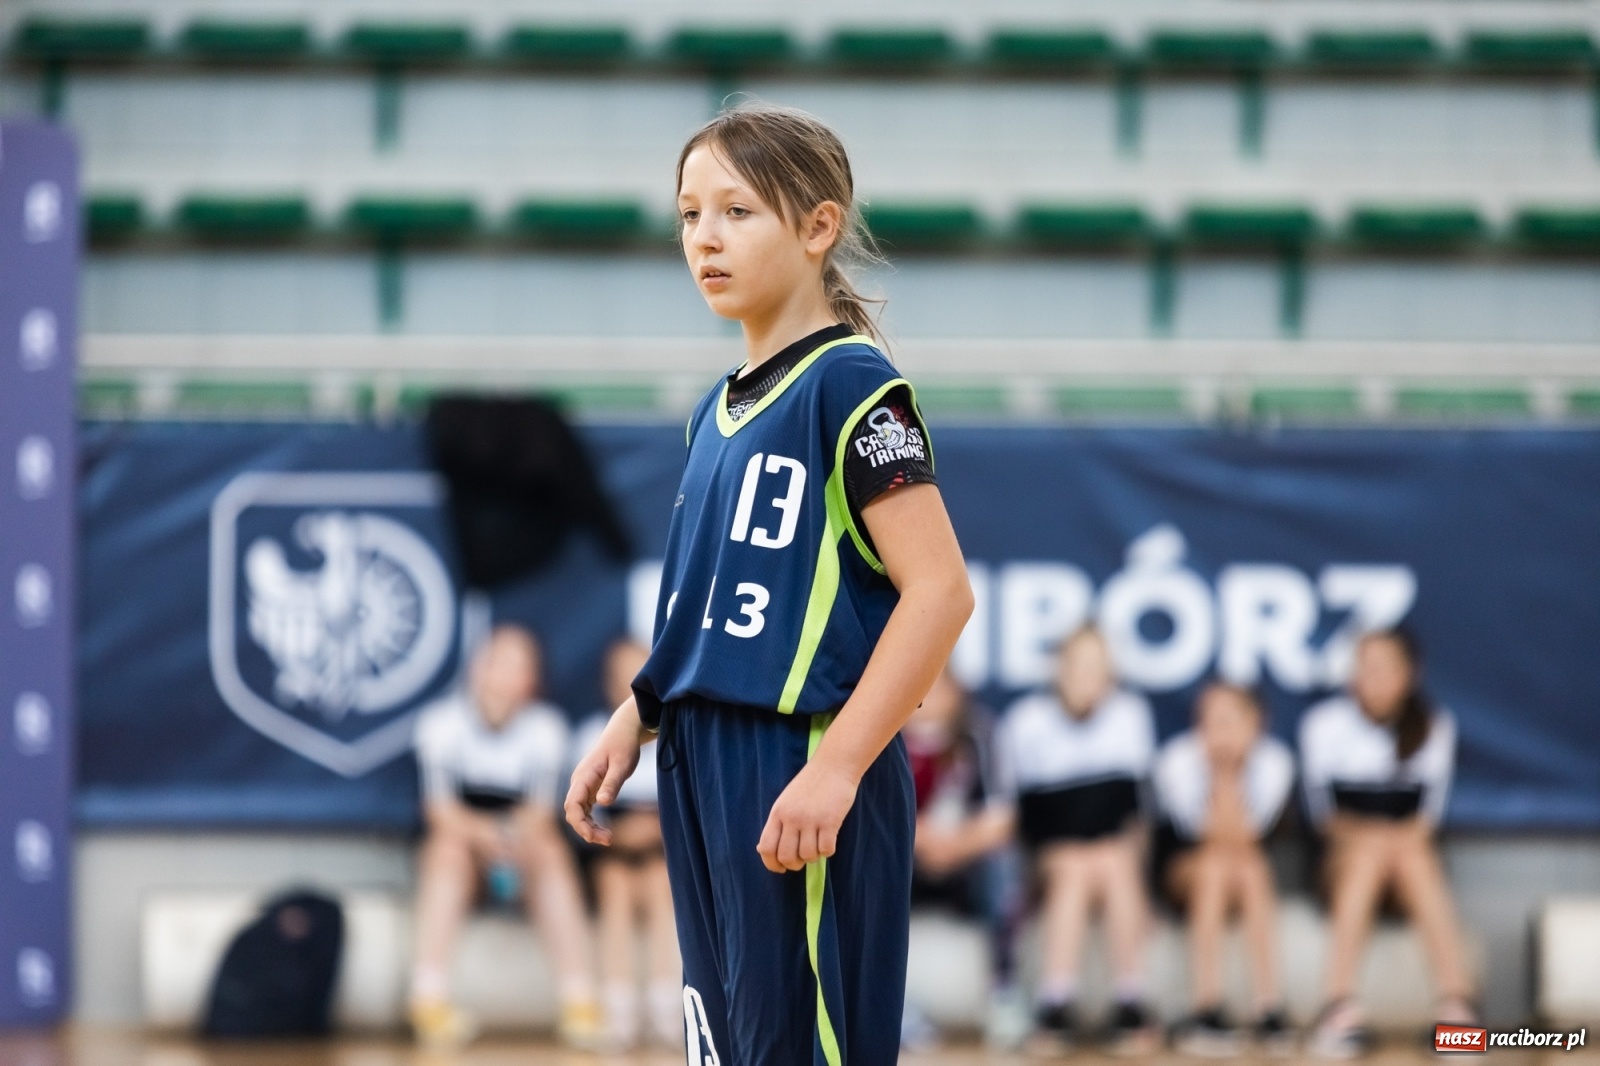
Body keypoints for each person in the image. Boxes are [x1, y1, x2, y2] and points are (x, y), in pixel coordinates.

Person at [565, 101, 974, 1066]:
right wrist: (640, 713)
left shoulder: (850, 384)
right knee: (730, 1046)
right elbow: (708, 600)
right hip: (700, 756)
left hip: (800, 754)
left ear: (818, 225)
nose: (704, 238)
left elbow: (941, 593)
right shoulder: (717, 407)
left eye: (737, 211)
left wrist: (834, 771)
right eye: (688, 214)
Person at [408, 625, 599, 1048]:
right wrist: (484, 836)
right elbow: (439, 811)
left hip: (521, 854)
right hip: (467, 859)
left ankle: (580, 1002)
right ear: (478, 669)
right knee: (447, 850)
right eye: (499, 663)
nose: (506, 676)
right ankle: (428, 998)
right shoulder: (441, 724)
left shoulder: (546, 729)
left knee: (549, 850)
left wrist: (508, 839)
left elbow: (541, 813)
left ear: (533, 680)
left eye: (519, 667)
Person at [1299, 628, 1475, 1058]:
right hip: (1342, 867)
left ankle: (1457, 1009)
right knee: (1368, 854)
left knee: (1410, 854)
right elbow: (1326, 819)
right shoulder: (1322, 726)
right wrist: (1375, 837)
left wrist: (1387, 838)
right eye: (1362, 667)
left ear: (1408, 674)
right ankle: (1338, 1006)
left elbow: (1423, 823)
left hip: (1408, 871)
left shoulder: (1434, 727)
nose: (1369, 678)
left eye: (1381, 668)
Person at [997, 624, 1158, 1053]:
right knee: (1074, 864)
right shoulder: (1026, 722)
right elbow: (1021, 817)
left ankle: (1130, 1000)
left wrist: (1144, 882)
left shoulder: (1130, 716)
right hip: (1051, 854)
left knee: (1111, 860)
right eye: (1078, 665)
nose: (1087, 676)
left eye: (1097, 667)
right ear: (1058, 669)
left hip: (1111, 854)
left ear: (1111, 674)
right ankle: (1056, 1001)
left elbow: (1134, 816)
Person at [1154, 681, 1295, 1056]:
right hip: (1182, 872)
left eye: (1229, 720)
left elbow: (1248, 837)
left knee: (1250, 867)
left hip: (1242, 870)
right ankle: (1205, 1006)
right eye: (1208, 720)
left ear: (1256, 724)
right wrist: (1222, 771)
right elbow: (1210, 836)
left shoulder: (1276, 761)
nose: (1218, 731)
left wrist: (1234, 768)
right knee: (1218, 865)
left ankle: (1268, 1006)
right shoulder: (1176, 760)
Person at [901, 667, 1023, 1049]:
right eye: (921, 686)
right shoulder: (885, 736)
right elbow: (870, 814)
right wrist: (921, 839)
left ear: (958, 693)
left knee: (1004, 867)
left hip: (966, 862)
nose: (930, 697)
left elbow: (1002, 819)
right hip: (908, 859)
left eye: (939, 687)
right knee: (867, 874)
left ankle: (1004, 992)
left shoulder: (980, 734)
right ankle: (895, 1007)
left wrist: (954, 846)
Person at [570, 639, 680, 1051]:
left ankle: (666, 1005)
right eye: (621, 678)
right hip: (610, 849)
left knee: (658, 884)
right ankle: (619, 1009)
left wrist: (654, 832)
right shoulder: (591, 735)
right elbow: (583, 805)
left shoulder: (677, 732)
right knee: (615, 886)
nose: (630, 686)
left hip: (664, 849)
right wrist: (619, 835)